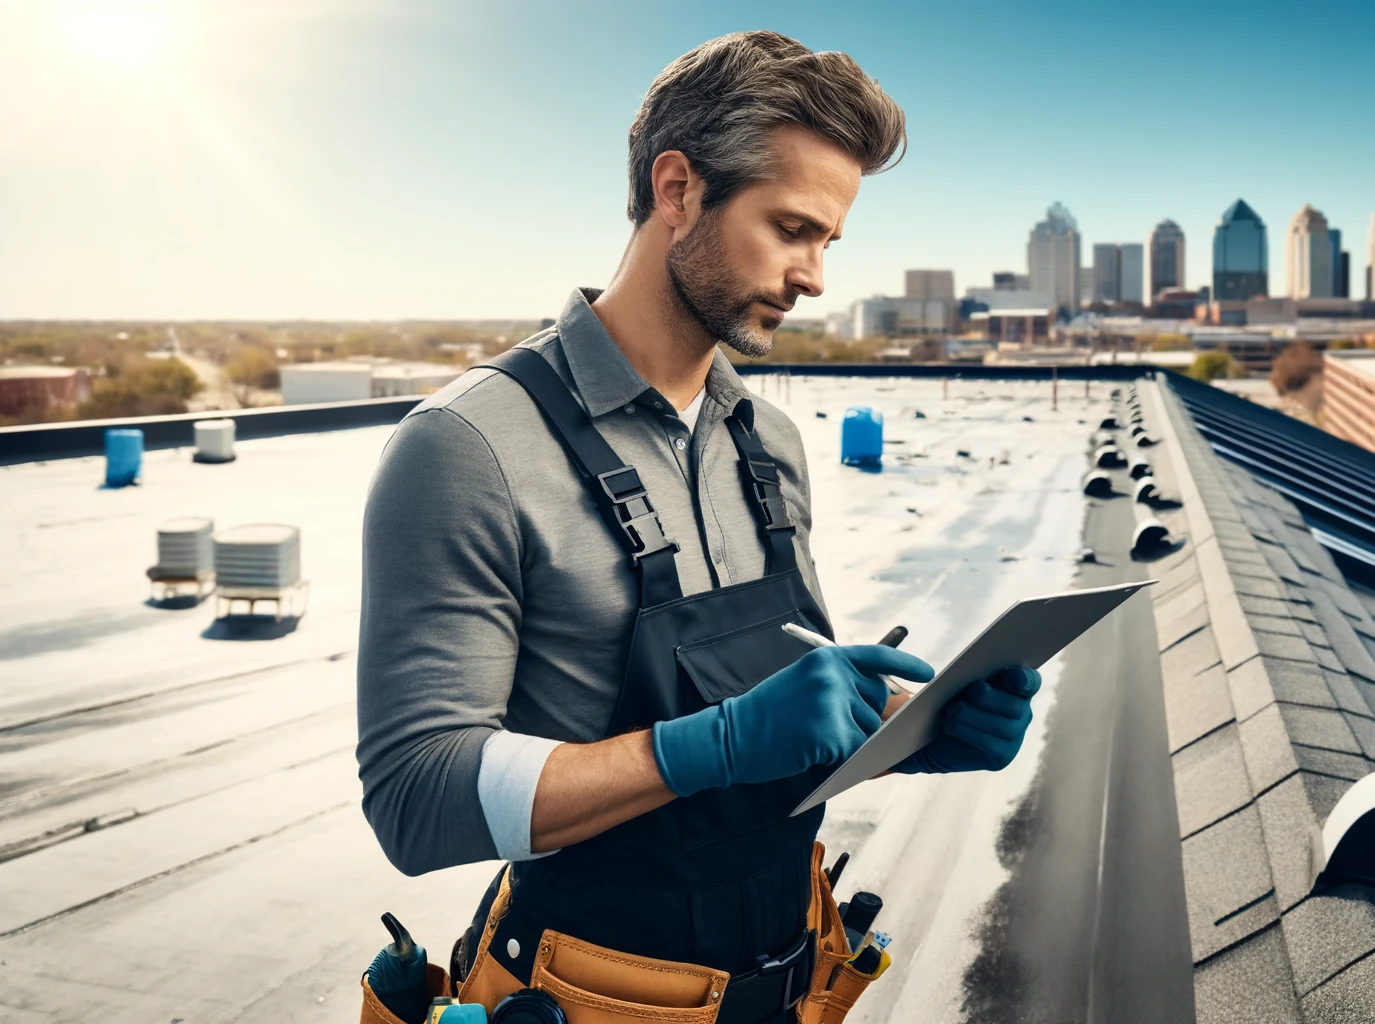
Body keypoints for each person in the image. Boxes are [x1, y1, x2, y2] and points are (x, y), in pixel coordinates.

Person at [355, 31, 1041, 1023]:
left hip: (787, 984)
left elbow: (782, 727)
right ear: (677, 188)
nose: (814, 278)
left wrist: (918, 734)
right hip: (589, 998)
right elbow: (417, 799)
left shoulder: (772, 443)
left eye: (827, 242)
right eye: (790, 228)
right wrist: (704, 745)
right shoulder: (469, 448)